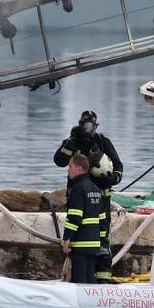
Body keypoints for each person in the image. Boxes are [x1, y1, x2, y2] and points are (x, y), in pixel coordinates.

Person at [54, 110, 123, 282]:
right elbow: (59, 161)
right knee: (79, 239)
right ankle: (80, 278)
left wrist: (111, 179)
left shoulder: (103, 142)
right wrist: (70, 144)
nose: (88, 127)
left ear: (96, 126)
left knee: (102, 239)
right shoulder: (72, 142)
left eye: (91, 124)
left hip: (101, 197)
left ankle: (103, 280)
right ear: (79, 123)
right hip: (78, 197)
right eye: (85, 123)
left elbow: (118, 166)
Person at [61, 154, 103, 284]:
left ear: (79, 168)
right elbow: (102, 219)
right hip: (94, 244)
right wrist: (100, 239)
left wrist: (66, 239)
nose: (68, 170)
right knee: (90, 278)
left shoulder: (78, 189)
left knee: (80, 280)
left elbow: (75, 217)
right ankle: (93, 303)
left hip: (80, 243)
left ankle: (82, 303)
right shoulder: (96, 189)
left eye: (70, 167)